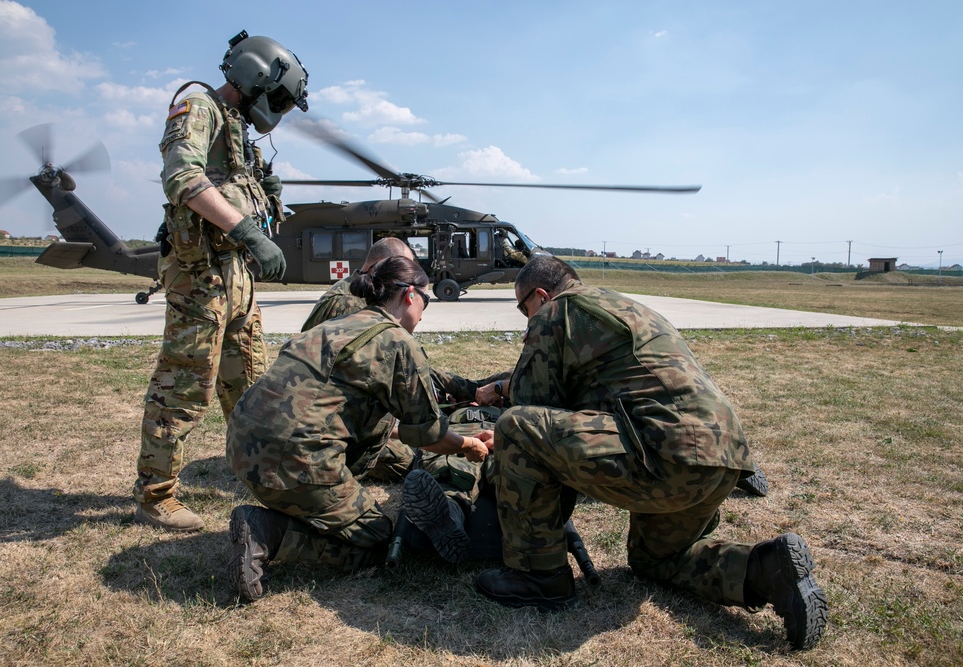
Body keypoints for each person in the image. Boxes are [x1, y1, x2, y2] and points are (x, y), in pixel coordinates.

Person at [474, 255, 827, 650]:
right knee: (656, 559)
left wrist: (504, 395)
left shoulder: (555, 311)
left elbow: (534, 404)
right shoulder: (624, 305)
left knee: (515, 428)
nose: (527, 318)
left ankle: (539, 578)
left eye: (524, 309)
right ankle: (765, 568)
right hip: (723, 458)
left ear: (539, 296)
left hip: (662, 456)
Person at [226, 255, 493, 601]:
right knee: (381, 539)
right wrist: (469, 445)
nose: (425, 312)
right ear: (410, 295)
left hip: (241, 446)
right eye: (426, 302)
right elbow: (428, 435)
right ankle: (269, 533)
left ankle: (302, 508)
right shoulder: (398, 342)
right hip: (294, 460)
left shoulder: (338, 324)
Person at [133, 31, 310, 532]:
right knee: (183, 387)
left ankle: (256, 471)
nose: (276, 109)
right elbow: (183, 179)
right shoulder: (198, 108)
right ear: (255, 77)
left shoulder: (236, 130)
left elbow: (237, 193)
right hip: (201, 279)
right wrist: (249, 231)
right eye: (277, 97)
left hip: (237, 280)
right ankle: (155, 495)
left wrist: (267, 197)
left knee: (249, 386)